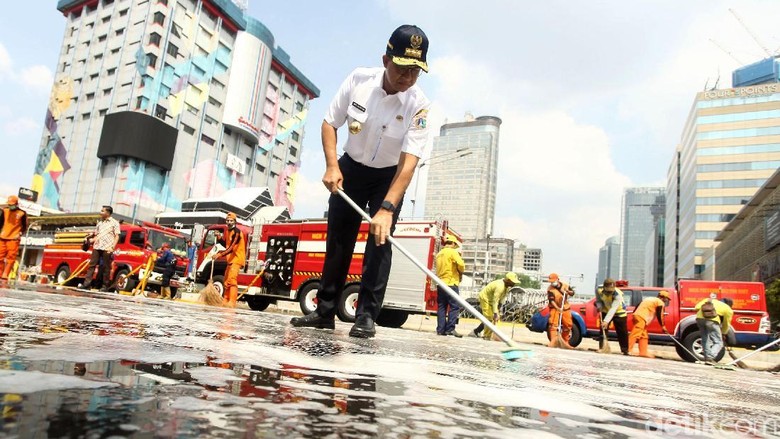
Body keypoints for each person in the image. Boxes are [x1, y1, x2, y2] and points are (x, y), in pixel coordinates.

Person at [290, 24, 431, 338]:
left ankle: (366, 316)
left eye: (415, 72)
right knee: (339, 239)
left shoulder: (418, 104)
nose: (407, 78)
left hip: (388, 177)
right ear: (386, 59)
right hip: (351, 168)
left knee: (380, 242)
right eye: (402, 69)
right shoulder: (358, 81)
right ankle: (324, 311)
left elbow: (409, 163)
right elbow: (329, 123)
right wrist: (331, 166)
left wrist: (388, 208)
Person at [470, 272, 521, 340]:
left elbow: (501, 299)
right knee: (489, 317)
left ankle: (476, 331)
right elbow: (495, 300)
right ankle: (486, 336)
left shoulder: (507, 287)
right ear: (508, 280)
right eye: (513, 282)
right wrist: (495, 313)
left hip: (492, 301)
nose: (514, 284)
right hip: (485, 299)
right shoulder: (500, 286)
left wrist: (497, 310)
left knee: (493, 318)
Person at [80, 205, 120, 291]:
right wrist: (90, 240)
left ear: (108, 213)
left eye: (102, 211)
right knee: (92, 265)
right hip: (97, 246)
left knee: (106, 267)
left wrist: (112, 247)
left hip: (107, 247)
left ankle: (105, 286)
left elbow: (117, 236)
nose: (100, 212)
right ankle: (87, 284)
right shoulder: (100, 223)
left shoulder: (115, 223)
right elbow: (97, 235)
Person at [435, 234, 465, 337]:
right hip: (451, 283)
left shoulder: (439, 254)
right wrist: (460, 272)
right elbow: (461, 264)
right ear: (452, 243)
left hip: (440, 284)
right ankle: (450, 329)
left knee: (442, 307)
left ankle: (440, 330)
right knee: (454, 307)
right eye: (454, 244)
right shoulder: (453, 252)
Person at [627, 290, 671, 358]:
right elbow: (660, 315)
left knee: (644, 336)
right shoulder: (660, 302)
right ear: (663, 297)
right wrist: (663, 326)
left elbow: (638, 305)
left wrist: (634, 315)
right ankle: (628, 350)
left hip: (638, 316)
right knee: (636, 333)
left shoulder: (649, 299)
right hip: (642, 317)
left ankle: (643, 352)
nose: (667, 300)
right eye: (667, 298)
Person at [215, 212, 245, 308]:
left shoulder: (237, 232)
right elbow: (227, 245)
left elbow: (231, 247)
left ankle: (232, 301)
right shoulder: (228, 231)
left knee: (232, 280)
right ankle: (226, 300)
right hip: (230, 259)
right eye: (227, 220)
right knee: (226, 281)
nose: (229, 222)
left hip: (237, 259)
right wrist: (219, 238)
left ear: (235, 221)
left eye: (231, 220)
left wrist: (220, 254)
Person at [695, 297, 734, 364]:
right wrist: (723, 333)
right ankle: (710, 357)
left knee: (705, 339)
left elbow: (696, 307)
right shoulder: (728, 309)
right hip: (712, 321)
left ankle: (707, 357)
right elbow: (726, 323)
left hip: (699, 319)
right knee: (718, 342)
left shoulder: (708, 300)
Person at [596, 278, 629, 355]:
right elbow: (598, 300)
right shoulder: (598, 289)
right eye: (608, 290)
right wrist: (599, 306)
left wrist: (606, 321)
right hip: (605, 310)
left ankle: (625, 350)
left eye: (612, 290)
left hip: (619, 312)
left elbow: (613, 308)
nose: (610, 292)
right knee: (603, 330)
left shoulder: (617, 294)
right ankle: (602, 347)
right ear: (604, 287)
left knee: (622, 332)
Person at [0, 195, 28, 280]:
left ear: (16, 204)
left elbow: (24, 226)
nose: (10, 206)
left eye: (12, 204)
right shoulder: (4, 211)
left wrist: (20, 233)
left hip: (13, 238)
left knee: (11, 258)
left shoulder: (22, 213)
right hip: (3, 236)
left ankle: (5, 274)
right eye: (9, 204)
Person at [547, 273, 575, 348]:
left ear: (558, 280)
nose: (552, 283)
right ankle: (553, 342)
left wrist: (568, 292)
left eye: (553, 281)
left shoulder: (565, 285)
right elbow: (551, 301)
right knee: (553, 324)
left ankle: (565, 342)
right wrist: (557, 308)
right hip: (554, 307)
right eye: (551, 282)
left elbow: (573, 293)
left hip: (565, 307)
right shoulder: (550, 289)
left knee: (568, 325)